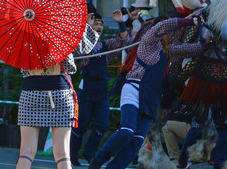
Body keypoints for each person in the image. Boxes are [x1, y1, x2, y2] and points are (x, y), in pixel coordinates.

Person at [89, 16, 210, 169]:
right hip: (134, 89)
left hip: (149, 98)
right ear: (163, 30)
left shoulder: (167, 50)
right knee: (127, 131)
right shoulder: (149, 40)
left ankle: (114, 167)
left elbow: (186, 49)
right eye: (171, 31)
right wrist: (189, 21)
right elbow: (164, 25)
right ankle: (97, 161)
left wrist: (207, 45)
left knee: (137, 140)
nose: (172, 34)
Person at [16, 10, 99, 169]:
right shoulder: (64, 26)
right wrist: (83, 22)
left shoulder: (23, 27)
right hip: (60, 90)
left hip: (31, 90)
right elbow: (85, 47)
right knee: (62, 154)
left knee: (26, 151)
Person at [70, 9, 133, 166]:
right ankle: (71, 154)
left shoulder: (106, 45)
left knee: (103, 125)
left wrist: (122, 22)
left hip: (102, 90)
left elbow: (123, 42)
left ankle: (89, 152)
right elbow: (77, 54)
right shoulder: (83, 45)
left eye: (101, 24)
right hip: (87, 89)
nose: (99, 26)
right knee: (81, 125)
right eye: (95, 23)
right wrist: (85, 28)